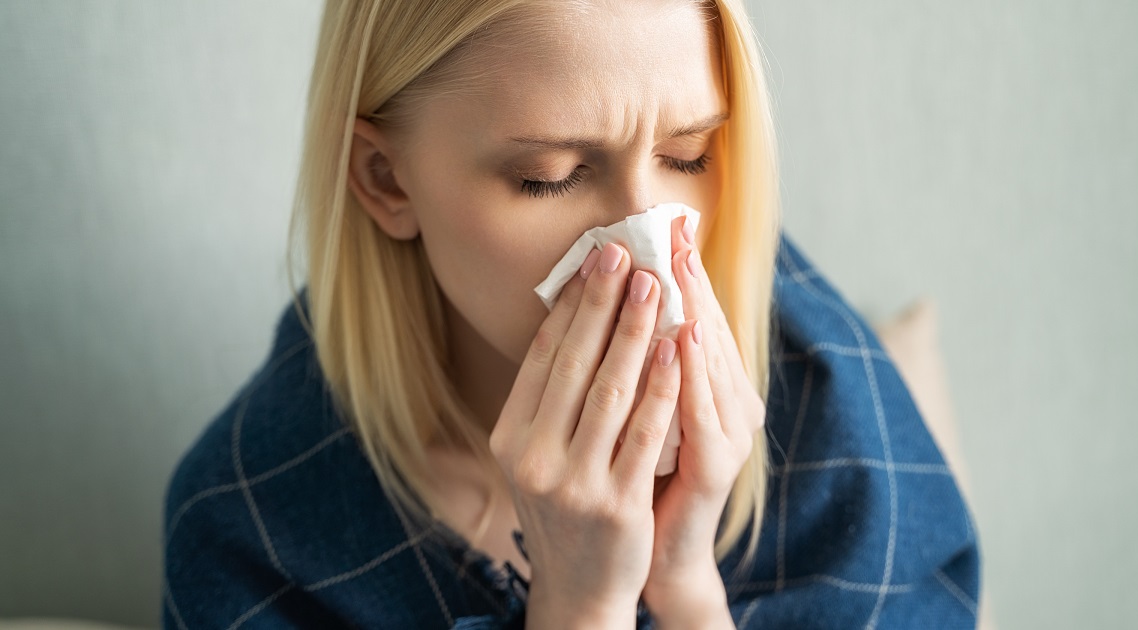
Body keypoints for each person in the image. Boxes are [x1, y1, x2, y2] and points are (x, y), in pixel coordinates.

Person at [163, 0, 981, 627]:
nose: (646, 249)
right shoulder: (253, 531)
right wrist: (580, 606)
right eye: (550, 177)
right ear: (386, 180)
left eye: (687, 155)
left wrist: (686, 587)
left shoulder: (829, 402)